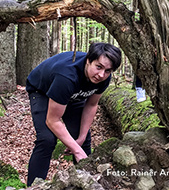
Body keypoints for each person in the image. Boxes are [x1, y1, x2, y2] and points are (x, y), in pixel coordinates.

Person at [26, 42, 121, 186]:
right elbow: (53, 120)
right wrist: (76, 150)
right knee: (47, 139)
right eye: (98, 67)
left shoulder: (104, 78)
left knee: (83, 138)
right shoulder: (66, 76)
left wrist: (81, 138)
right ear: (88, 61)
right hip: (42, 91)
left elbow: (91, 104)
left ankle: (87, 182)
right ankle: (35, 186)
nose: (101, 74)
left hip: (74, 94)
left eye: (108, 70)